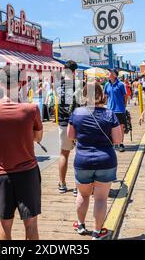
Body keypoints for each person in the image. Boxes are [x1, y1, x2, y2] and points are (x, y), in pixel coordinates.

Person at [0, 65, 43, 240]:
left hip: (4, 174)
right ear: (20, 83)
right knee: (31, 224)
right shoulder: (31, 109)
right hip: (28, 172)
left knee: (5, 225)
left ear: (0, 83)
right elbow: (37, 138)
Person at [68, 82, 122, 240]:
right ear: (101, 95)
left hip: (83, 160)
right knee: (100, 198)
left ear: (85, 96)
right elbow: (117, 139)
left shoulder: (77, 113)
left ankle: (80, 224)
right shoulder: (109, 114)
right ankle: (97, 233)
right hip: (106, 160)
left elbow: (71, 136)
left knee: (83, 195)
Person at [56, 60, 80, 195]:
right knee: (79, 154)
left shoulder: (58, 84)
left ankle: (62, 184)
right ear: (75, 71)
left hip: (63, 123)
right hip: (77, 123)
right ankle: (77, 186)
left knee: (64, 154)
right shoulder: (78, 84)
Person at [104, 69, 128, 152]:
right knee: (110, 128)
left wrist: (124, 106)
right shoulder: (107, 84)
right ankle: (114, 143)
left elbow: (125, 96)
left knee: (121, 127)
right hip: (110, 110)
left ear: (115, 75)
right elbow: (105, 96)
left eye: (110, 72)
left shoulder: (121, 84)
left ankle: (121, 143)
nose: (108, 73)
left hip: (120, 110)